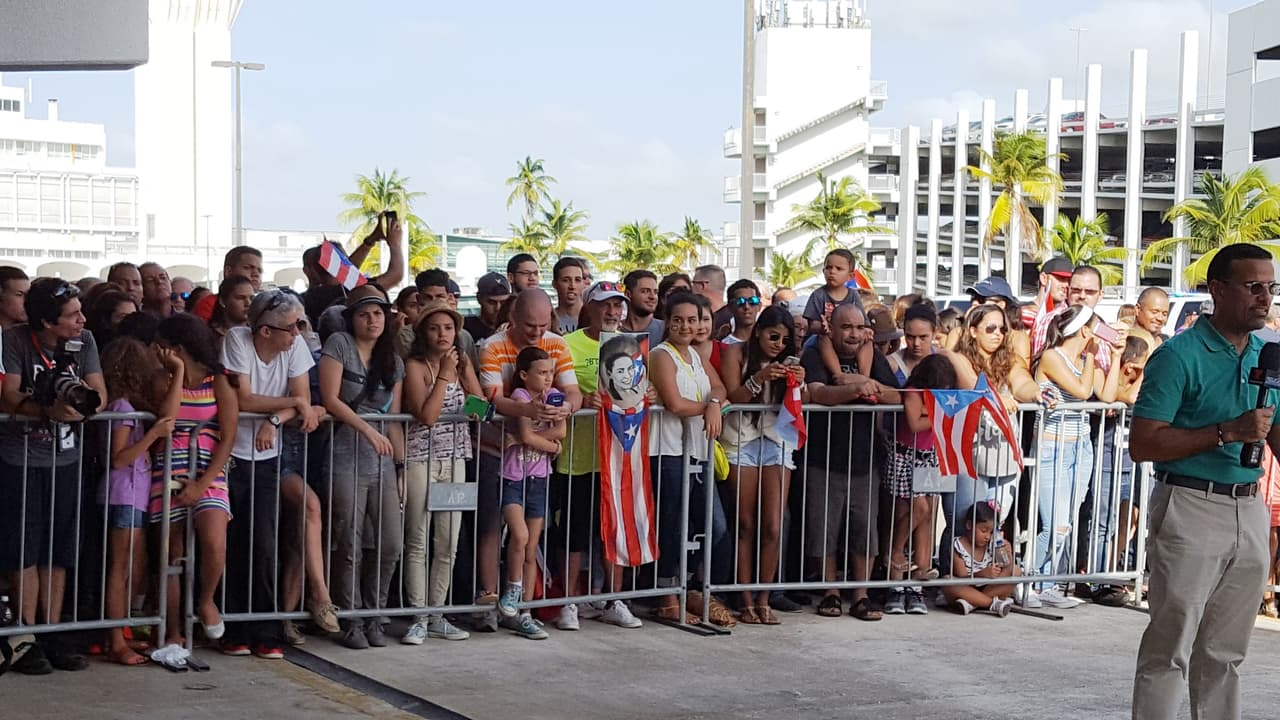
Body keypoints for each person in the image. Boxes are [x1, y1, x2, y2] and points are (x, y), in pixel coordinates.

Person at [1129, 243, 1279, 720]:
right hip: (1190, 504)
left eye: (1271, 287)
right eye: (1253, 286)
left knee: (1227, 651)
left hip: (1248, 505)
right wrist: (1226, 432)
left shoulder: (1268, 352)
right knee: (1170, 645)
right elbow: (1144, 444)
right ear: (1217, 289)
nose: (1264, 297)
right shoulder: (1178, 356)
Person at [220, 289, 339, 655]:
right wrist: (293, 404)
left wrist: (275, 417)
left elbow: (300, 397)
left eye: (300, 325)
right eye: (291, 327)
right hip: (233, 452)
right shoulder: (236, 340)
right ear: (265, 330)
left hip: (268, 454)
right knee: (234, 542)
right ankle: (233, 629)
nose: (298, 333)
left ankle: (265, 630)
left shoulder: (295, 346)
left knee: (265, 541)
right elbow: (244, 399)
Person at [0, 278, 107, 672]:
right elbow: (8, 394)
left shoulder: (87, 341)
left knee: (59, 551)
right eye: (72, 315)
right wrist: (44, 409)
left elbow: (100, 393)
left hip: (67, 458)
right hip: (20, 459)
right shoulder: (13, 340)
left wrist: (79, 408)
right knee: (24, 549)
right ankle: (24, 638)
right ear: (46, 322)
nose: (81, 319)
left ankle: (52, 631)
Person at [475, 289, 580, 631]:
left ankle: (524, 610)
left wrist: (565, 407)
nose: (537, 332)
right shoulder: (490, 347)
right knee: (495, 529)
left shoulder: (557, 345)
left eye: (543, 324)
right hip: (494, 451)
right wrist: (527, 413)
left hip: (531, 462)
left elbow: (572, 392)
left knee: (529, 539)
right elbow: (483, 403)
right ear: (513, 319)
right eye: (529, 325)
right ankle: (490, 599)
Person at [550, 281, 643, 631]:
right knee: (574, 532)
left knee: (613, 532)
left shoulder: (633, 345)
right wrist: (580, 401)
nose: (612, 312)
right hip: (577, 455)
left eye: (617, 306)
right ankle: (569, 602)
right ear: (589, 307)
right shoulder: (566, 344)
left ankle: (613, 600)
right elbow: (558, 389)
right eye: (605, 305)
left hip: (618, 455)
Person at [318, 285, 406, 650]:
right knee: (349, 538)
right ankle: (350, 618)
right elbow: (330, 399)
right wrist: (367, 429)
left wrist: (400, 468)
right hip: (345, 450)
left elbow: (396, 418)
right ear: (351, 318)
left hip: (382, 456)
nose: (372, 320)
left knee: (389, 542)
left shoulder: (394, 361)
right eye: (364, 314)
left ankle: (375, 614)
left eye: (378, 313)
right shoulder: (339, 344)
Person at [802, 303, 899, 621]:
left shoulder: (874, 357)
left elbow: (897, 396)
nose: (854, 334)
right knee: (824, 528)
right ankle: (830, 592)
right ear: (832, 328)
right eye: (846, 328)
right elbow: (817, 393)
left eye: (859, 327)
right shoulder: (815, 353)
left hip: (864, 457)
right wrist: (856, 388)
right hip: (823, 456)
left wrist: (855, 382)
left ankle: (861, 594)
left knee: (864, 529)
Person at [149, 314, 238, 650]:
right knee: (171, 555)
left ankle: (206, 599)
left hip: (208, 470)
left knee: (214, 539)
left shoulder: (219, 380)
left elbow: (228, 436)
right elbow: (167, 418)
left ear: (176, 347)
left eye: (162, 346)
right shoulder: (162, 379)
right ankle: (173, 629)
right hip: (168, 468)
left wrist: (202, 483)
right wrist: (179, 374)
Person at [647, 292, 734, 627]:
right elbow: (675, 403)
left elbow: (720, 388)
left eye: (693, 319)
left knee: (714, 526)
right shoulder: (661, 355)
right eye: (679, 319)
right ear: (668, 321)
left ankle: (694, 589)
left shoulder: (696, 356)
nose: (687, 326)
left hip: (697, 452)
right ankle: (667, 595)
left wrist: (713, 401)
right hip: (668, 451)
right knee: (671, 525)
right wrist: (709, 407)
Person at [1031, 305, 1124, 609]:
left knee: (1066, 524)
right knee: (1054, 525)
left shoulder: (1087, 360)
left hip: (1080, 447)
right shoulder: (1052, 357)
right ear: (1085, 330)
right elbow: (1084, 393)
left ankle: (1047, 584)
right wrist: (1092, 357)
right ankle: (1031, 582)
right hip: (1051, 448)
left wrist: (1116, 356)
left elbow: (1107, 396)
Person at [940, 304, 1045, 572]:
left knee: (991, 526)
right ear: (973, 331)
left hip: (1003, 456)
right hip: (968, 456)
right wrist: (1000, 399)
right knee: (962, 522)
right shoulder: (957, 358)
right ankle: (951, 580)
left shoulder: (1008, 359)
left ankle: (982, 579)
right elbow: (975, 388)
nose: (998, 334)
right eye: (990, 328)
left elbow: (1021, 382)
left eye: (1002, 329)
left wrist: (1037, 394)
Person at [719, 305, 807, 624]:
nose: (778, 344)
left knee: (773, 524)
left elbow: (802, 402)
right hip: (741, 439)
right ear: (758, 331)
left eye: (785, 340)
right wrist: (758, 377)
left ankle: (765, 596)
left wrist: (799, 382)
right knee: (745, 524)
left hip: (777, 440)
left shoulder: (789, 359)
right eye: (773, 336)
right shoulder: (735, 351)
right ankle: (744, 599)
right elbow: (733, 395)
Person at [400, 301, 481, 644]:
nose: (443, 334)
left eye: (448, 328)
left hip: (456, 458)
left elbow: (480, 410)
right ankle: (418, 615)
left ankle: (437, 613)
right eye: (434, 328)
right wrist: (446, 374)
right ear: (423, 333)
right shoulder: (415, 366)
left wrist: (466, 378)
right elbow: (427, 415)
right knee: (418, 540)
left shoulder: (461, 363)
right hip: (422, 459)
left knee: (448, 540)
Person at [98, 339, 176, 665]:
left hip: (134, 493)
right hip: (123, 492)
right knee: (120, 568)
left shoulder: (128, 408)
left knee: (131, 567)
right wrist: (152, 435)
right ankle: (116, 639)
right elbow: (118, 458)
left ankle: (122, 632)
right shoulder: (123, 409)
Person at [496, 346, 568, 640]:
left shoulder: (554, 397)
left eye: (551, 372)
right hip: (513, 477)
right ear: (525, 375)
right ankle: (511, 591)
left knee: (531, 547)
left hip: (539, 477)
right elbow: (526, 434)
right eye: (542, 372)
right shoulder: (521, 397)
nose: (548, 378)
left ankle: (525, 611)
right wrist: (549, 445)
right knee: (520, 536)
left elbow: (560, 431)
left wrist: (550, 445)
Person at [883, 354, 954, 616]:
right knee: (912, 509)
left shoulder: (940, 399)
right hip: (905, 456)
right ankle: (895, 564)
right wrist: (943, 415)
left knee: (926, 520)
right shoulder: (913, 391)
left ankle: (917, 584)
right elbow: (914, 424)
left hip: (928, 457)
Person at [300, 213, 404, 327]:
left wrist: (370, 241)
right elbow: (395, 275)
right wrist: (395, 245)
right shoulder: (355, 289)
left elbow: (348, 268)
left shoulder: (305, 299)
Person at [940, 502, 1020, 617]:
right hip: (967, 588)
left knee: (1016, 571)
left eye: (991, 532)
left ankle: (972, 603)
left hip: (988, 587)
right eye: (983, 531)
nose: (987, 536)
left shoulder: (993, 544)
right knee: (947, 581)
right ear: (969, 525)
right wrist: (981, 574)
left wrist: (1008, 554)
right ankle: (992, 603)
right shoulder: (957, 545)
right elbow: (961, 577)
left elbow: (1006, 567)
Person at [416, 269, 477, 367]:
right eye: (428, 297)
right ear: (419, 299)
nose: (434, 302)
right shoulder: (405, 336)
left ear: (449, 298)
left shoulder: (464, 336)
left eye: (440, 297)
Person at [887, 304, 938, 385]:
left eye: (923, 337)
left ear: (934, 333)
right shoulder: (891, 364)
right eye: (910, 337)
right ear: (904, 332)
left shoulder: (946, 359)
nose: (916, 343)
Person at [1021, 256, 1072, 329]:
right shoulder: (1023, 314)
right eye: (1061, 278)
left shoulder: (1067, 317)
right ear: (1044, 278)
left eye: (1069, 281)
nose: (1066, 285)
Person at [466, 272, 513, 344]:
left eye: (503, 303)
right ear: (479, 299)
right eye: (492, 302)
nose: (498, 308)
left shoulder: (515, 328)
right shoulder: (466, 328)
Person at [621, 269, 665, 346]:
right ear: (628, 294)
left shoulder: (667, 330)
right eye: (645, 291)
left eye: (655, 292)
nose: (652, 297)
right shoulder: (613, 330)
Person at [209, 275, 254, 344]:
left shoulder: (258, 333)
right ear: (222, 301)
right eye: (240, 298)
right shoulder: (207, 335)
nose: (248, 303)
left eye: (251, 298)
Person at [552, 257, 588, 335]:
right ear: (555, 284)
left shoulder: (594, 319)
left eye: (577, 280)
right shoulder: (547, 320)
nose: (572, 286)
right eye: (566, 280)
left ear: (583, 283)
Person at [693, 265, 732, 335]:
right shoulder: (734, 317)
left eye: (693, 283)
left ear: (702, 285)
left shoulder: (702, 323)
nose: (691, 288)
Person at [722, 279, 761, 345]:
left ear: (759, 306)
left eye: (753, 300)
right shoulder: (723, 346)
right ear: (730, 307)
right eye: (740, 301)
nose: (747, 307)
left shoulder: (766, 343)